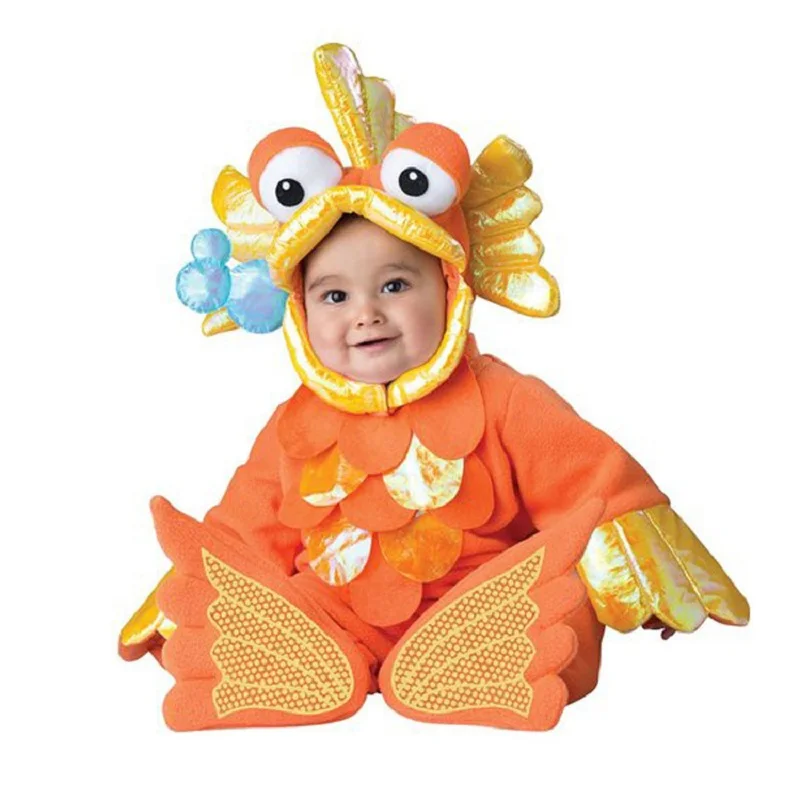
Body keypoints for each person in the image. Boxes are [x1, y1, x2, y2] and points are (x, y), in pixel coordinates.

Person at [119, 43, 749, 732]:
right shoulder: (294, 422)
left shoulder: (506, 400)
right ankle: (305, 665)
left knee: (553, 595)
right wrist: (191, 598)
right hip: (338, 616)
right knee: (281, 602)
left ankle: (475, 665)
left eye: (394, 285)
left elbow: (594, 483)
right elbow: (245, 529)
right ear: (299, 309)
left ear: (450, 288)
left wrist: (636, 572)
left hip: (477, 602)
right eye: (334, 295)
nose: (365, 313)